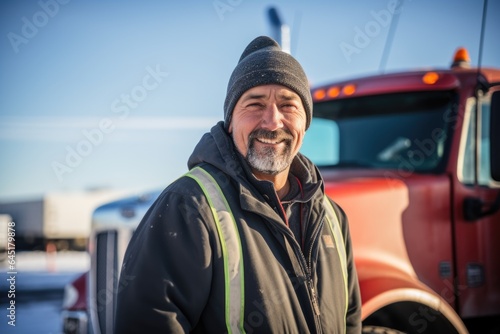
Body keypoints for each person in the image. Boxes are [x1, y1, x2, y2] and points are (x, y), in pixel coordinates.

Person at [114, 35, 362, 333]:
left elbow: (350, 322)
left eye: (288, 105)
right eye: (255, 104)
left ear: (305, 123)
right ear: (230, 121)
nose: (272, 121)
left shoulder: (332, 217)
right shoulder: (189, 206)